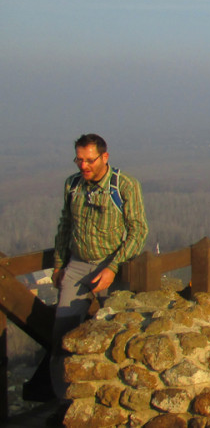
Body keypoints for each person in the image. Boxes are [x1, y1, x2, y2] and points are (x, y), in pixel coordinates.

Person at [50, 134, 148, 395]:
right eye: (79, 160)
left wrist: (113, 267)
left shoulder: (124, 185)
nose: (83, 166)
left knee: (116, 336)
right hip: (78, 265)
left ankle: (108, 397)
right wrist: (59, 265)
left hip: (113, 265)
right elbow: (65, 226)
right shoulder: (73, 185)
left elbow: (138, 231)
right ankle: (63, 402)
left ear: (105, 157)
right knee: (62, 335)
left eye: (89, 160)